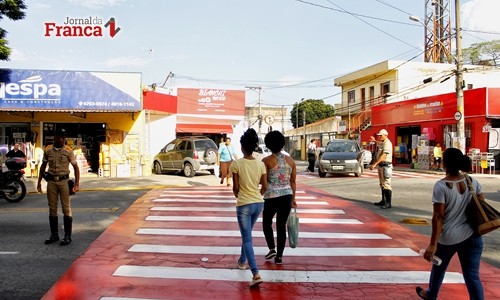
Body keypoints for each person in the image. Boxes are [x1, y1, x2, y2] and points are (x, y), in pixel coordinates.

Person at [416, 148, 484, 300]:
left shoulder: (441, 186)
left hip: (448, 238)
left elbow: (438, 216)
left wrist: (433, 244)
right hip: (473, 236)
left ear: (445, 163)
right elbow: (481, 205)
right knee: (472, 276)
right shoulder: (472, 181)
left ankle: (431, 294)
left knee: (439, 267)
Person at [230, 128, 267, 287]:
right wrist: (256, 195)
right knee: (248, 236)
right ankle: (241, 261)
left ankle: (256, 273)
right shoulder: (261, 164)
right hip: (259, 204)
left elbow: (235, 188)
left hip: (244, 204)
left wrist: (241, 197)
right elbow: (264, 186)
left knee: (247, 238)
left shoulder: (236, 164)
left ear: (242, 147)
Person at [37, 128, 80, 246]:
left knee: (66, 208)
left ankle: (67, 235)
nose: (63, 139)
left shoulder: (68, 151)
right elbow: (43, 166)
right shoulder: (48, 150)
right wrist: (39, 181)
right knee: (52, 209)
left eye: (64, 137)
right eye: (61, 137)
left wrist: (76, 184)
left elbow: (76, 167)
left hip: (64, 182)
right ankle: (54, 234)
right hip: (51, 182)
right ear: (55, 137)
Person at [261, 130, 297, 265]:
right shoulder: (291, 161)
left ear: (269, 145)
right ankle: (280, 256)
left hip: (271, 196)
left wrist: (259, 193)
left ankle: (272, 248)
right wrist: (294, 199)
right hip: (287, 196)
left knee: (266, 223)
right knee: (281, 226)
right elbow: (293, 182)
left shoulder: (266, 161)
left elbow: (263, 183)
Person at [370, 129, 393, 209]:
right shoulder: (383, 143)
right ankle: (384, 200)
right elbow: (379, 144)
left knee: (386, 184)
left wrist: (375, 164)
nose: (379, 137)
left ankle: (388, 202)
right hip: (381, 166)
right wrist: (374, 140)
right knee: (382, 184)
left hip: (386, 166)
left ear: (385, 135)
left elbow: (383, 156)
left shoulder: (388, 143)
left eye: (380, 135)